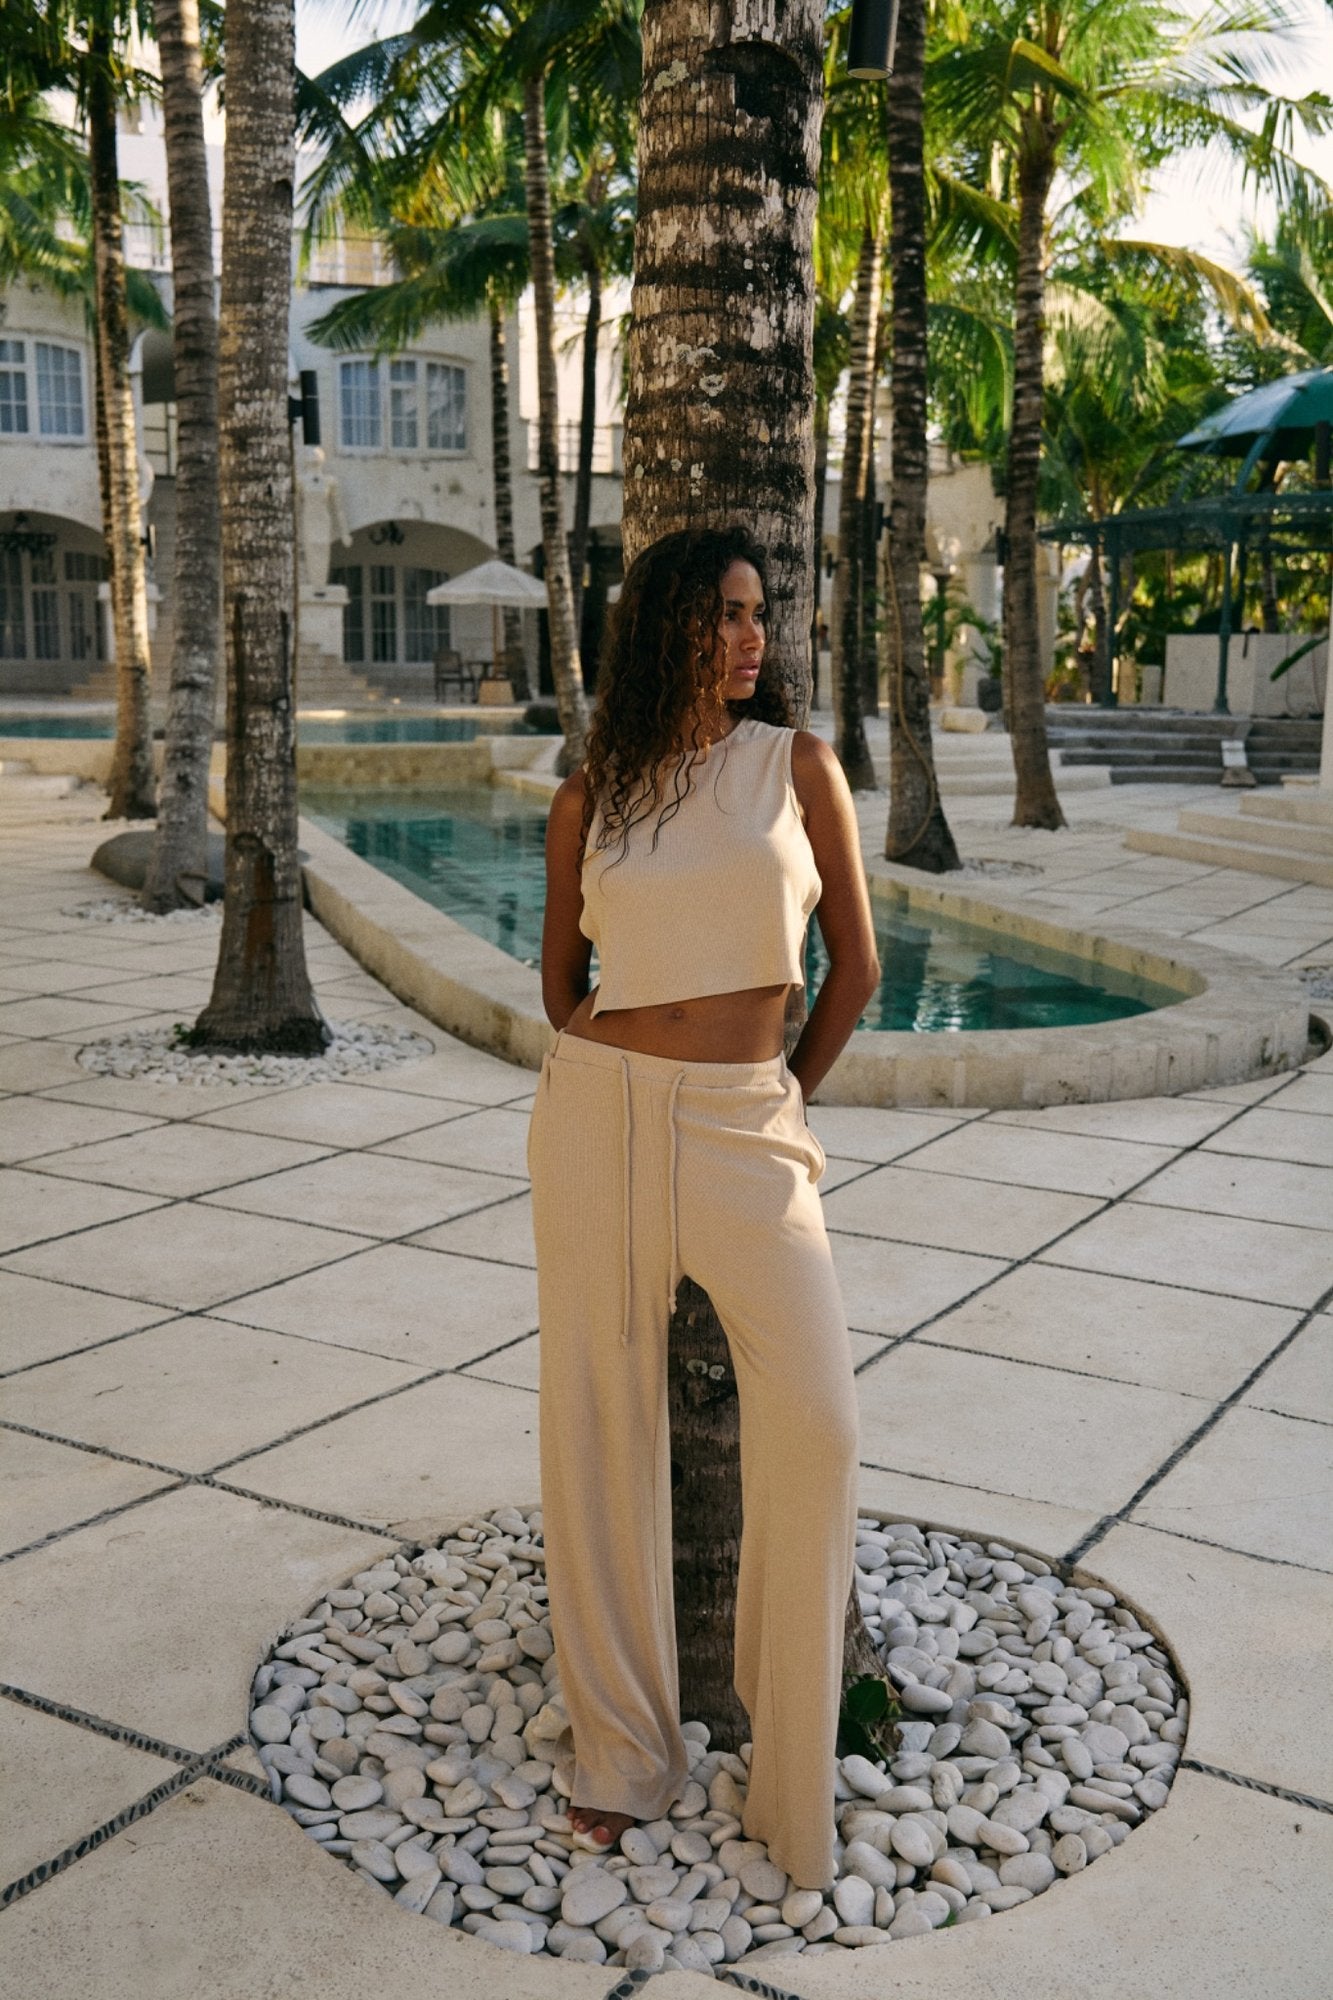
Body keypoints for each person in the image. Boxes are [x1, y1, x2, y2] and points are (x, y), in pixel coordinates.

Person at [528, 524, 880, 1891]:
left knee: (819, 1425)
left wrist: (774, 1094)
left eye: (757, 616)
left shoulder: (794, 768)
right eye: (725, 615)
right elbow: (560, 983)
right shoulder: (587, 799)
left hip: (748, 1124)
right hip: (598, 1117)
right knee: (599, 1431)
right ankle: (622, 1752)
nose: (752, 639)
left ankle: (789, 1772)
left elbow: (851, 966)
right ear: (662, 625)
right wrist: (610, 1076)